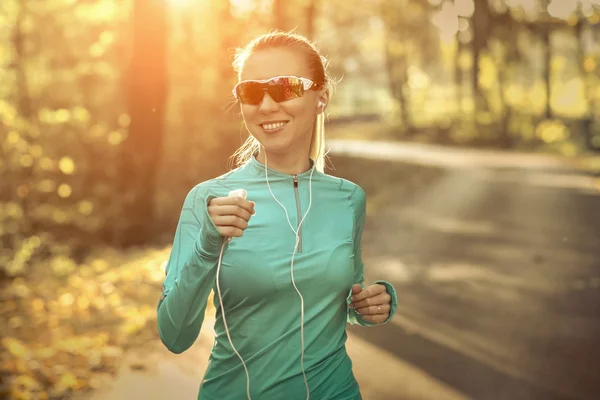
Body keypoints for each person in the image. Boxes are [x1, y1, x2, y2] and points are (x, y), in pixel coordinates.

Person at [157, 31, 398, 400]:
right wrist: (207, 244)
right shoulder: (209, 200)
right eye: (252, 93)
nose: (267, 106)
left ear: (321, 98)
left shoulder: (349, 199)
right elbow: (174, 336)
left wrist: (368, 305)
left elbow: (342, 298)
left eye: (285, 88)